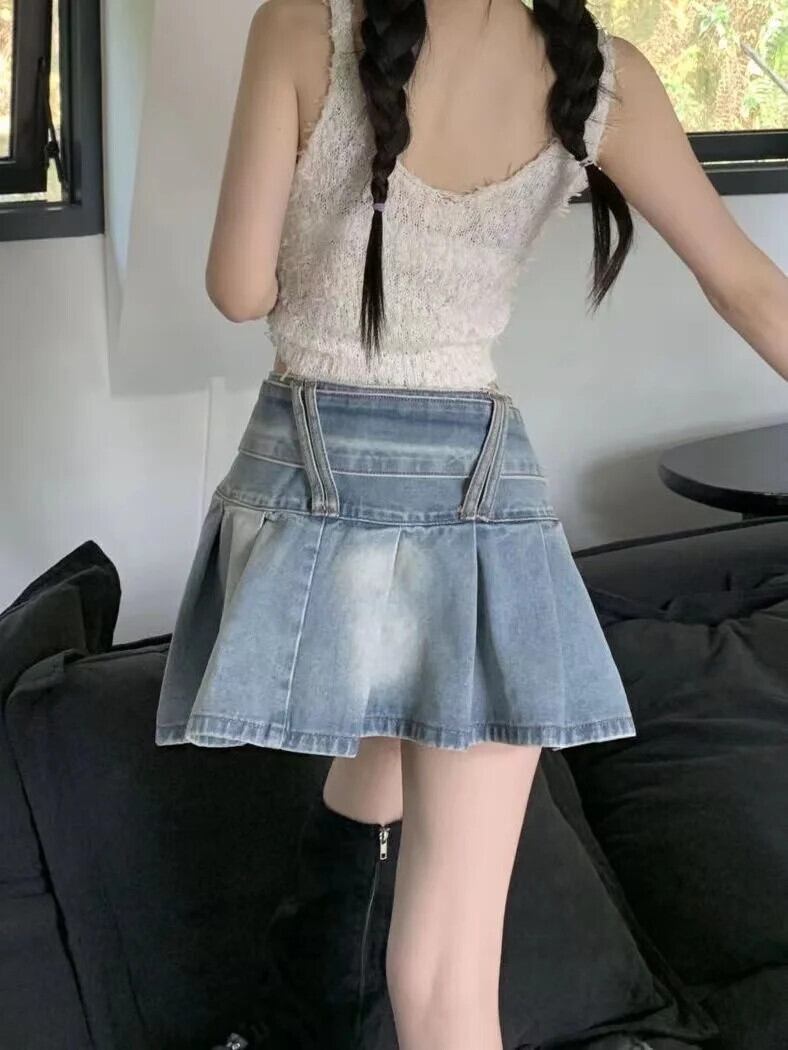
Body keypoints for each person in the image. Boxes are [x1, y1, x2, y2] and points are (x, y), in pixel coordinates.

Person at [155, 0, 788, 1048]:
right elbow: (748, 288)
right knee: (448, 968)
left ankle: (290, 1019)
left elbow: (236, 288)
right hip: (475, 501)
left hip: (311, 489)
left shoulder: (301, 27)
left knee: (379, 770)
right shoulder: (603, 74)